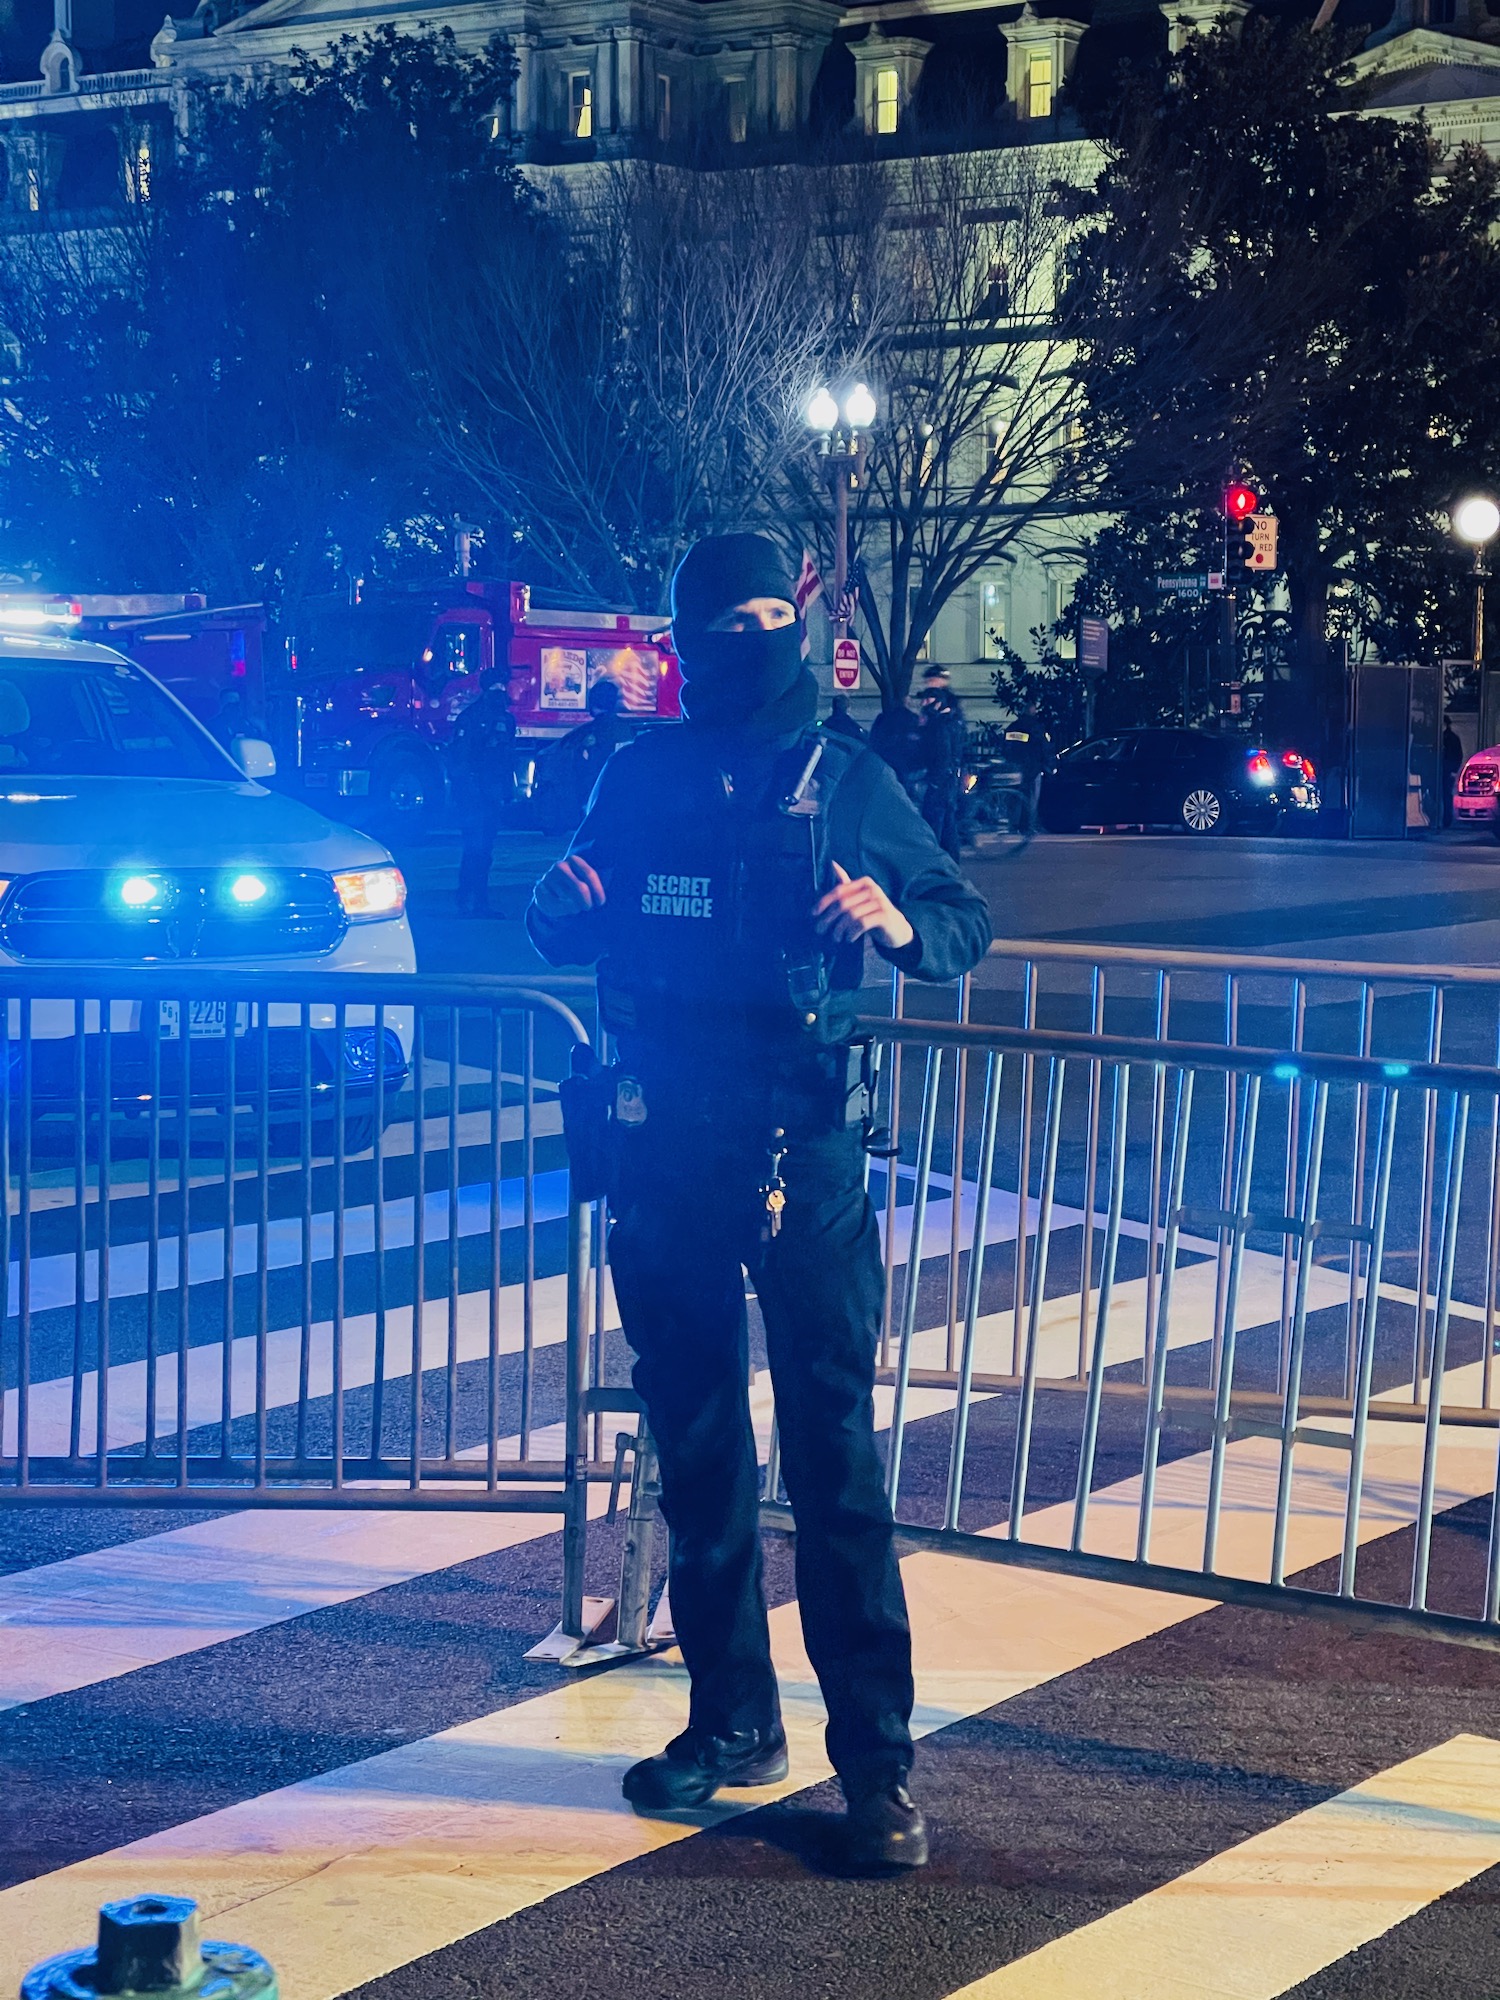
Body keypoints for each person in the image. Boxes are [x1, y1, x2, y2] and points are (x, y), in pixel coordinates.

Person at [527, 532, 990, 1870]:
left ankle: (879, 1769)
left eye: (767, 616)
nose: (747, 640)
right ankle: (732, 1722)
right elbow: (571, 911)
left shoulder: (843, 776)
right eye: (719, 622)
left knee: (837, 1469)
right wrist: (562, 903)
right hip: (663, 1150)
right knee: (701, 1459)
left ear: (797, 624)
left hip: (806, 1157)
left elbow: (959, 920)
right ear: (682, 639)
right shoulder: (639, 771)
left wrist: (893, 922)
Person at [451, 672, 517, 914]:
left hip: (492, 795)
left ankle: (478, 901)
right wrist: (468, 793)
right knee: (474, 848)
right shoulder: (470, 718)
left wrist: (508, 791)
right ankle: (467, 900)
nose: (501, 690)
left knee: (485, 850)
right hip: (472, 796)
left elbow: (508, 757)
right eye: (496, 686)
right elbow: (459, 760)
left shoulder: (506, 720)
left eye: (503, 686)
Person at [917, 665, 966, 860]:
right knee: (946, 823)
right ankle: (950, 863)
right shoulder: (945, 717)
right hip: (946, 778)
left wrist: (935, 780)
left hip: (942, 780)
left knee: (936, 822)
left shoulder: (943, 719)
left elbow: (943, 751)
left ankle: (936, 862)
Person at [1003, 697, 1053, 835]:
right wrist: (1048, 765)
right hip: (1033, 768)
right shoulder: (1036, 727)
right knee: (1031, 799)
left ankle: (1013, 826)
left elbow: (1006, 747)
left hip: (1015, 768)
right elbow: (1044, 748)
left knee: (1014, 797)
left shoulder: (1013, 727)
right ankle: (1028, 827)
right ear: (1034, 711)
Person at [869, 696, 925, 801]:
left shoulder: (883, 718)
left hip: (887, 759)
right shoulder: (912, 718)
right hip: (906, 761)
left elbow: (874, 739)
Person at [1443, 718, 1464, 830]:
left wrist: (1454, 770)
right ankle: (1446, 819)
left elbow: (1457, 755)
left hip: (1447, 770)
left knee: (1446, 794)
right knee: (1446, 795)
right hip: (1447, 770)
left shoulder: (1451, 738)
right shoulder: (1451, 737)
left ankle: (1446, 819)